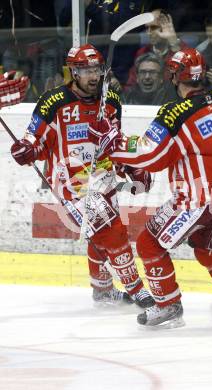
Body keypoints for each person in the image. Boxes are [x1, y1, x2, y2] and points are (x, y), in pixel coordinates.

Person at [89, 47, 212, 326]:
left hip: (196, 199)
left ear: (174, 76)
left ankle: (167, 304)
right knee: (210, 251)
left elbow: (151, 155)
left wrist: (113, 143)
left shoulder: (175, 114)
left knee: (150, 243)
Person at [9, 43, 154, 309]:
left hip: (104, 180)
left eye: (96, 69)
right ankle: (137, 290)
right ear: (73, 72)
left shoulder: (110, 101)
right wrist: (27, 150)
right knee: (113, 233)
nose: (93, 76)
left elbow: (115, 142)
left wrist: (131, 168)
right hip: (71, 185)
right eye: (85, 70)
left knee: (99, 235)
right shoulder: (53, 101)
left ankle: (102, 291)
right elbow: (36, 142)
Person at [125, 8, 188, 89]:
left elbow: (187, 78)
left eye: (154, 27)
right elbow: (131, 84)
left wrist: (173, 43)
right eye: (147, 28)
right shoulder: (142, 52)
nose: (148, 32)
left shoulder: (182, 49)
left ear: (165, 26)